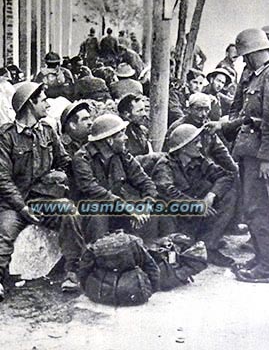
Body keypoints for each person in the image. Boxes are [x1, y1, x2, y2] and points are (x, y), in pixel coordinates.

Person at [217, 28, 269, 283]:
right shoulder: (257, 75)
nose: (244, 61)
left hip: (262, 156)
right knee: (252, 208)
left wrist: (268, 158)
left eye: (247, 55)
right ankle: (261, 259)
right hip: (252, 153)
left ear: (257, 52)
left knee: (261, 209)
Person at [0, 83, 84, 300]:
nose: (47, 103)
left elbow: (65, 161)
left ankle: (73, 273)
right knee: (4, 234)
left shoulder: (47, 131)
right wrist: (22, 207)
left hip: (41, 199)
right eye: (43, 99)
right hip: (13, 204)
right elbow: (3, 179)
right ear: (30, 104)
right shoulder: (6, 137)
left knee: (68, 212)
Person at [152, 124, 236, 267]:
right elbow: (166, 192)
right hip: (175, 217)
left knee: (229, 193)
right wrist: (196, 206)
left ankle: (209, 246)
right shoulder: (165, 165)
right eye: (195, 142)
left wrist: (211, 195)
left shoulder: (199, 161)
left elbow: (226, 176)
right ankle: (176, 254)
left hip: (193, 215)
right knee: (174, 258)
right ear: (183, 147)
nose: (200, 146)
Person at [72, 114, 158, 243]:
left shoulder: (122, 154)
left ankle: (144, 252)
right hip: (92, 213)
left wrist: (146, 205)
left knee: (151, 211)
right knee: (96, 213)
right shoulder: (82, 158)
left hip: (117, 208)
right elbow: (93, 190)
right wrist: (128, 208)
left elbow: (144, 181)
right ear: (109, 140)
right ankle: (97, 256)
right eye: (121, 134)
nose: (126, 138)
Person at [166, 93, 238, 174]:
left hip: (202, 170)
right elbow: (168, 155)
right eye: (199, 109)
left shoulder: (207, 126)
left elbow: (219, 150)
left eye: (206, 110)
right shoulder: (178, 127)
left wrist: (235, 169)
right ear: (189, 109)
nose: (203, 114)